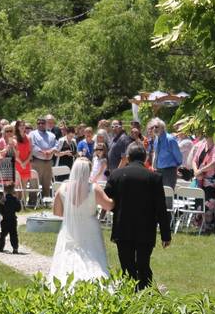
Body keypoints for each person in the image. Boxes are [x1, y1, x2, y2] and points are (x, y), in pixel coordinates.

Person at [104, 143, 172, 291]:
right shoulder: (154, 177)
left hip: (123, 226)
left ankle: (129, 292)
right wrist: (166, 235)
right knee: (143, 264)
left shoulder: (116, 175)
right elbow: (161, 207)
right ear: (145, 157)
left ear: (127, 157)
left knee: (126, 264)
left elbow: (107, 199)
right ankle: (144, 293)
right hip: (145, 228)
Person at [48, 158, 115, 289]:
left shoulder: (62, 188)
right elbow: (108, 205)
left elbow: (57, 212)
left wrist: (72, 213)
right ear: (88, 171)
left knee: (69, 254)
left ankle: (66, 283)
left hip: (70, 227)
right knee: (93, 256)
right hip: (90, 227)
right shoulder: (94, 188)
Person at [149, 118, 183, 190]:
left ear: (162, 128)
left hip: (169, 171)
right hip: (158, 170)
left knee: (168, 196)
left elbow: (178, 156)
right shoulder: (156, 139)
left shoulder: (170, 139)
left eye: (156, 127)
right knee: (159, 196)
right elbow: (155, 153)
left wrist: (177, 166)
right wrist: (154, 167)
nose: (154, 129)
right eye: (153, 127)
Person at [29, 116, 57, 200]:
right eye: (39, 123)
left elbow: (56, 145)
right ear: (36, 124)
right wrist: (43, 152)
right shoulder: (32, 134)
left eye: (43, 123)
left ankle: (46, 201)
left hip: (48, 162)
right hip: (37, 161)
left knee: (47, 183)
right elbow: (32, 146)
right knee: (34, 183)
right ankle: (32, 202)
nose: (41, 125)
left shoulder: (52, 135)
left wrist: (51, 151)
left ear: (46, 124)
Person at [0, 183, 22, 254]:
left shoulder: (3, 200)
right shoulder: (15, 199)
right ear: (13, 190)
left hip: (5, 220)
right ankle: (15, 247)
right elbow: (18, 209)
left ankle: (0, 247)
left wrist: (1, 205)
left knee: (3, 234)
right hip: (13, 220)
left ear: (4, 190)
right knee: (14, 234)